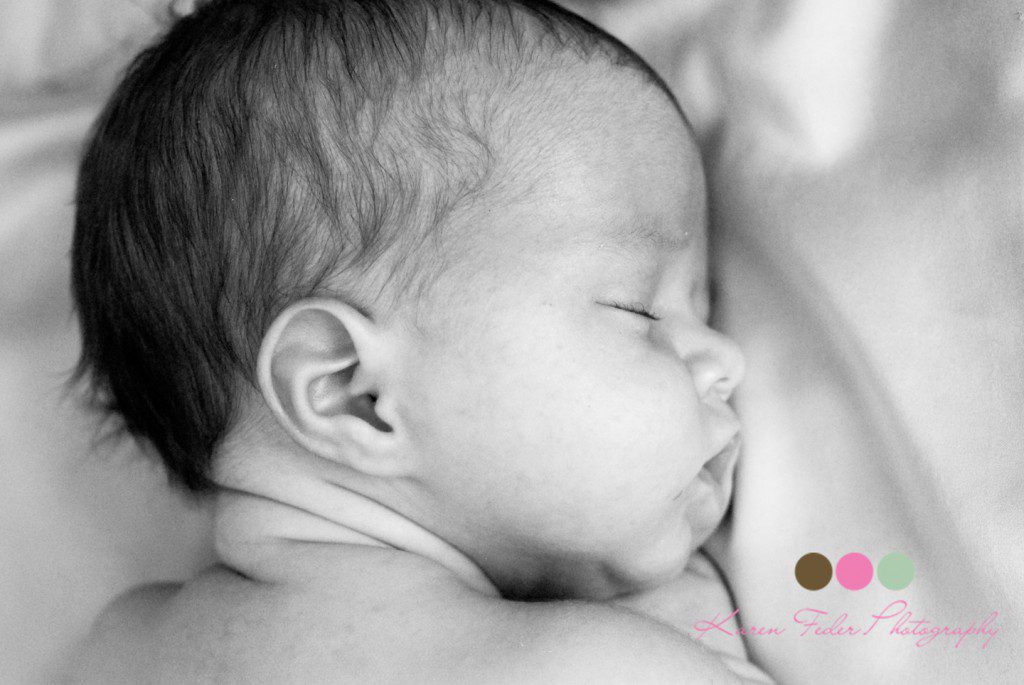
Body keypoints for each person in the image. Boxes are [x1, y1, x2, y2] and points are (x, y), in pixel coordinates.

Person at [66, 0, 771, 681]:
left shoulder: (119, 643)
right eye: (638, 309)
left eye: (702, 307)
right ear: (355, 392)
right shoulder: (604, 666)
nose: (726, 359)